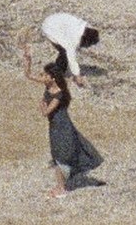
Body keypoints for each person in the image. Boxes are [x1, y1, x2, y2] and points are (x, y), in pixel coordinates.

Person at [43, 62, 101, 200]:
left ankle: (62, 188)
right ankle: (60, 186)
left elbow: (46, 112)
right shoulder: (50, 87)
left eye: (46, 75)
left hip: (62, 127)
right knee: (57, 156)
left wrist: (42, 104)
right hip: (55, 127)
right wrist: (27, 62)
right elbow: (30, 76)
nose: (43, 77)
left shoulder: (58, 94)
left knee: (60, 156)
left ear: (52, 78)